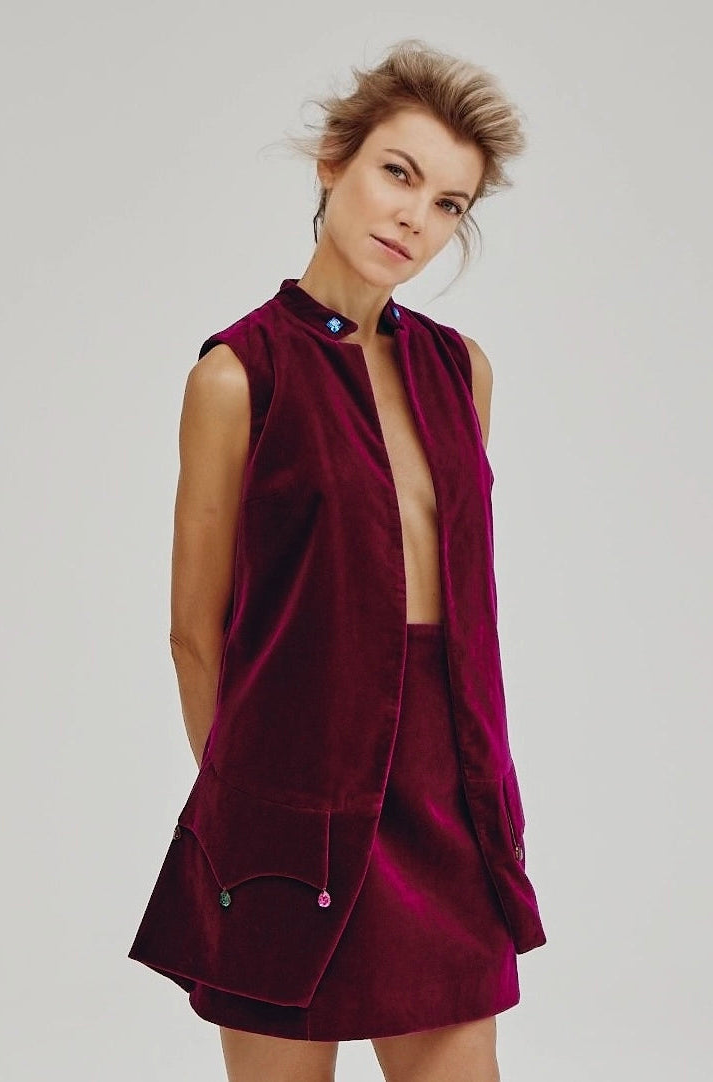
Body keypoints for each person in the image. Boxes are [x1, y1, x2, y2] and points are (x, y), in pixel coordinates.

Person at [128, 37, 547, 1082]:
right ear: (333, 161)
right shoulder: (239, 374)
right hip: (288, 812)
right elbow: (193, 632)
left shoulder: (460, 371)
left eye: (447, 203)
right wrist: (250, 810)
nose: (414, 218)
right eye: (397, 173)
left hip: (445, 803)